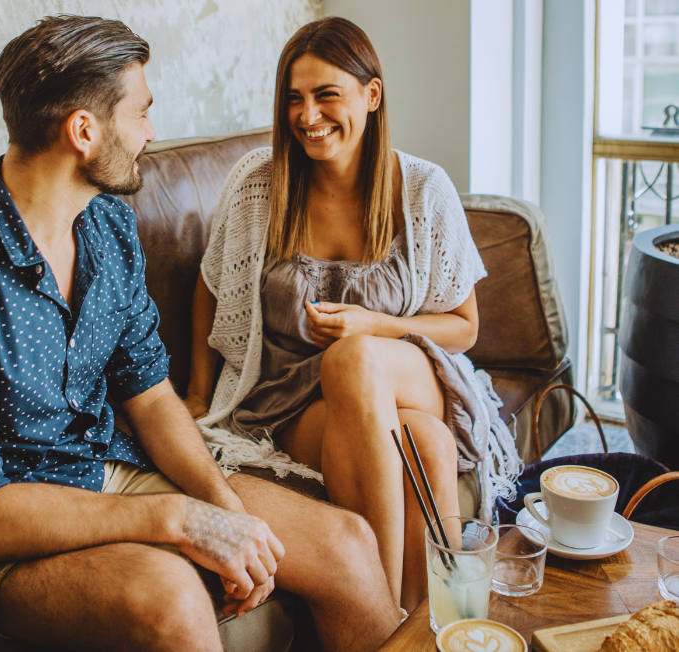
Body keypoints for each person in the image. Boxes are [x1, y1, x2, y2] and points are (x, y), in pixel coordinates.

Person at [0, 15, 402, 652]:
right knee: (169, 596)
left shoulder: (109, 229)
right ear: (84, 132)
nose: (151, 133)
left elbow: (148, 395)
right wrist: (177, 519)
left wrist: (221, 504)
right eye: (141, 113)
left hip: (96, 470)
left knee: (344, 544)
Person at [185, 16, 520, 613]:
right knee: (428, 445)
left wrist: (377, 326)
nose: (307, 116)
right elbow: (213, 287)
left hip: (412, 373)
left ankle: (379, 614)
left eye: (325, 95)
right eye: (294, 98)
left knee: (357, 358)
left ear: (372, 94)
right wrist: (196, 392)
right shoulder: (259, 186)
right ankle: (429, 622)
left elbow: (463, 328)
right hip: (293, 398)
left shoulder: (422, 189)